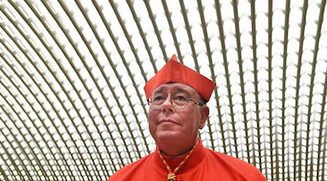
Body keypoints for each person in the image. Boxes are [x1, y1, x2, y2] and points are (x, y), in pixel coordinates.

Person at [108, 55, 267, 181]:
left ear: (202, 117)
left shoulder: (245, 177)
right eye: (158, 98)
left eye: (181, 98)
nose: (167, 105)